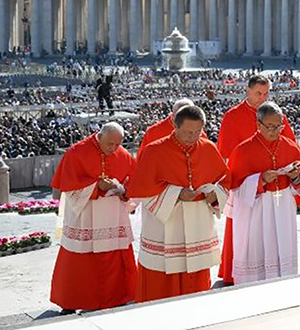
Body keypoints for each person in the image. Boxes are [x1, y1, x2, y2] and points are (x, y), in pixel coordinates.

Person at [127, 105, 229, 302]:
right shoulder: (154, 150)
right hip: (166, 224)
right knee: (162, 279)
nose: (193, 137)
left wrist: (214, 195)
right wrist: (176, 194)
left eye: (198, 132)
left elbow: (225, 179)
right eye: (188, 132)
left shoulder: (208, 147)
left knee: (196, 281)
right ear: (175, 126)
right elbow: (141, 190)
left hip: (198, 221)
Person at [216, 74, 296, 285]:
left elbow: (289, 146)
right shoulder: (233, 116)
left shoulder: (278, 116)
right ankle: (233, 271)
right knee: (243, 230)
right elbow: (225, 154)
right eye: (258, 93)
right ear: (248, 91)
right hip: (246, 180)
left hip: (275, 188)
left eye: (266, 93)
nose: (263, 97)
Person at [50, 123, 136, 312]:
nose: (114, 149)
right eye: (110, 144)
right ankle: (72, 301)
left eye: (118, 144)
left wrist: (123, 190)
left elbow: (135, 182)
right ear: (100, 136)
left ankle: (118, 297)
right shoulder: (76, 153)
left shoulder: (122, 154)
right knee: (80, 261)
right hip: (84, 216)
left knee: (114, 258)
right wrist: (97, 187)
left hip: (113, 216)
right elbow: (69, 189)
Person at [227, 102, 300, 284]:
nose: (274, 131)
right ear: (258, 124)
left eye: (278, 126)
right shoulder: (243, 150)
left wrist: (295, 176)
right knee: (257, 249)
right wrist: (260, 179)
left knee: (284, 253)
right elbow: (235, 189)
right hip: (257, 210)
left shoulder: (290, 146)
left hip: (283, 206)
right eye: (270, 126)